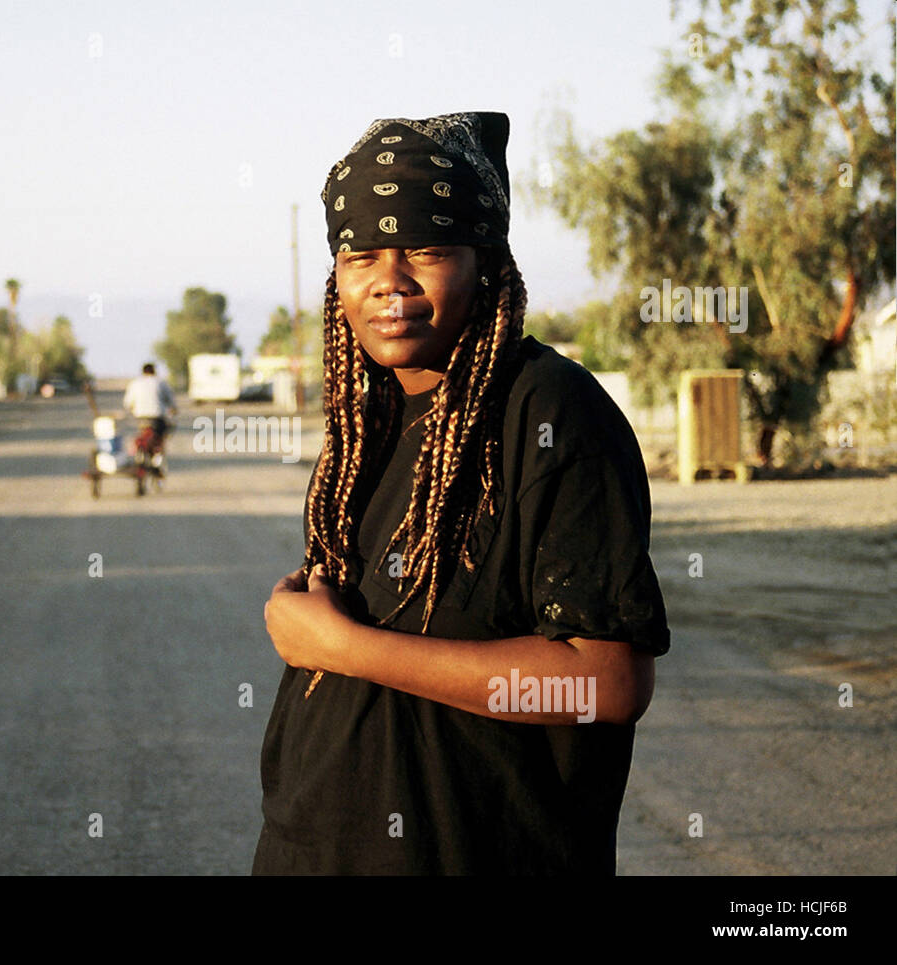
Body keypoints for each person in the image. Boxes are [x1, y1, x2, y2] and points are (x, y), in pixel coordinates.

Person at [254, 112, 671, 875]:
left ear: (486, 261)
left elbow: (604, 683)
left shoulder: (550, 410)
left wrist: (346, 647)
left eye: (426, 249)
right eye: (363, 255)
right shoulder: (366, 420)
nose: (389, 281)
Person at [122, 362, 177, 455]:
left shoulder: (135, 383)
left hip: (141, 417)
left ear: (143, 372)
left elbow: (127, 403)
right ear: (154, 371)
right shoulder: (161, 382)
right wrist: (173, 409)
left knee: (142, 433)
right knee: (163, 434)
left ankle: (140, 450)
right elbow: (170, 399)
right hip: (157, 417)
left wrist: (133, 410)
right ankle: (160, 452)